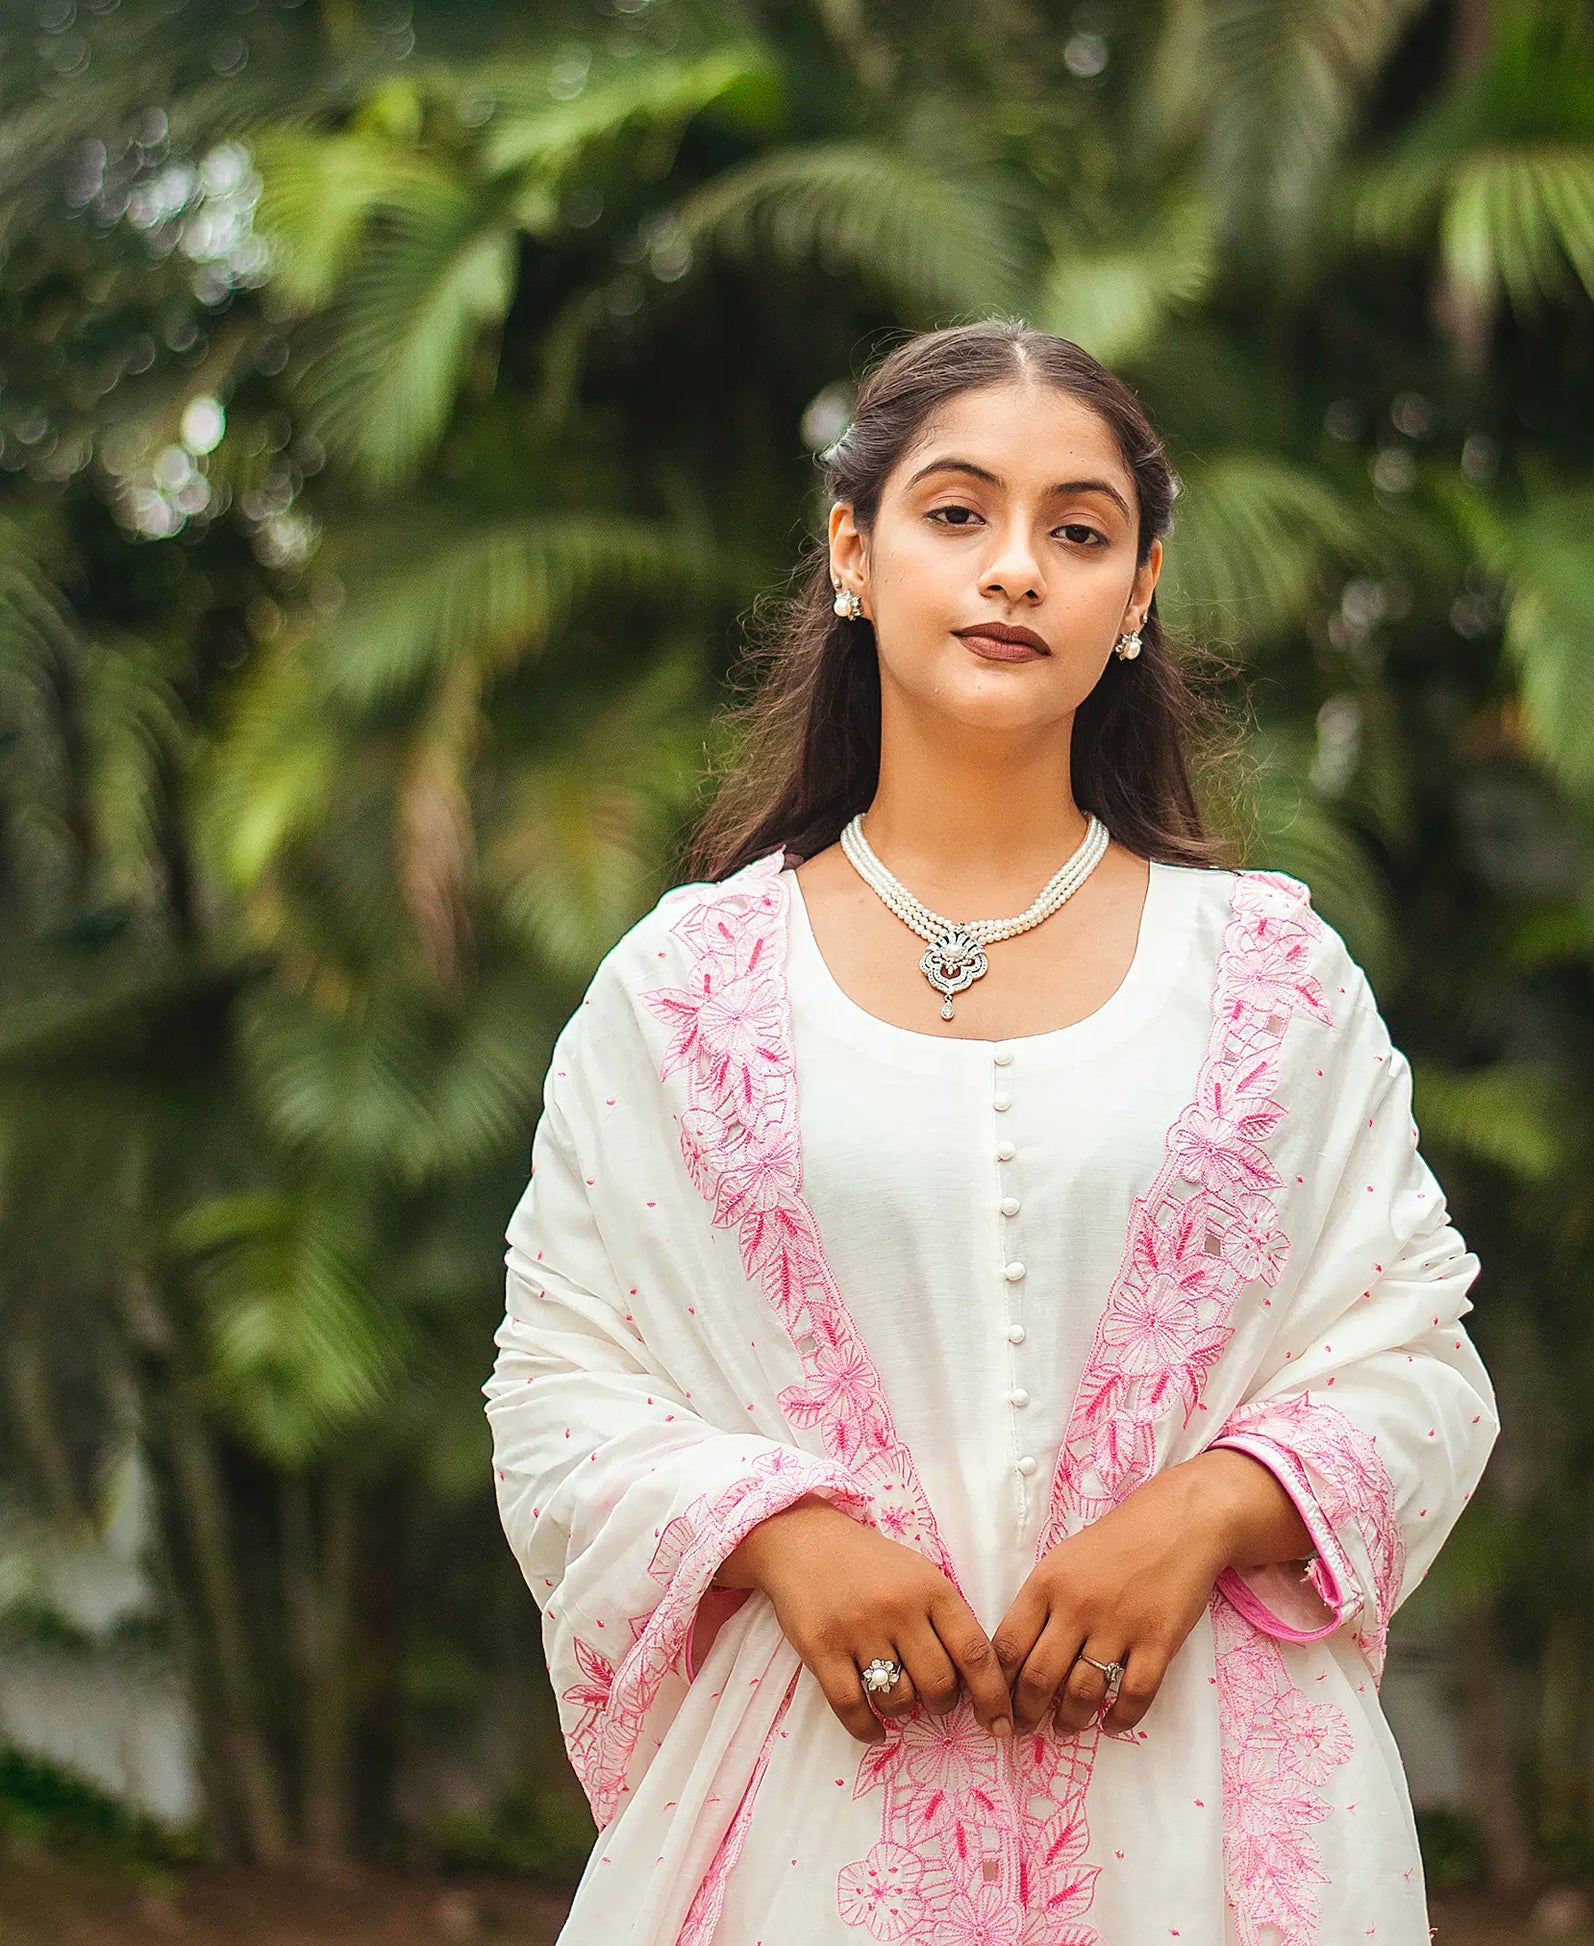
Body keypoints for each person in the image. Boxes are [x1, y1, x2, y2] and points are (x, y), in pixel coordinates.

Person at [482, 320, 1497, 1946]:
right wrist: (781, 1534)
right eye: (956, 513)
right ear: (852, 552)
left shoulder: (1271, 982)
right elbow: (555, 1390)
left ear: (1138, 594)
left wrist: (1209, 1509)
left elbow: (1416, 1362)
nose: (1015, 568)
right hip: (802, 1840)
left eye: (1077, 532)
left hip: (1210, 1822)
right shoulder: (680, 993)